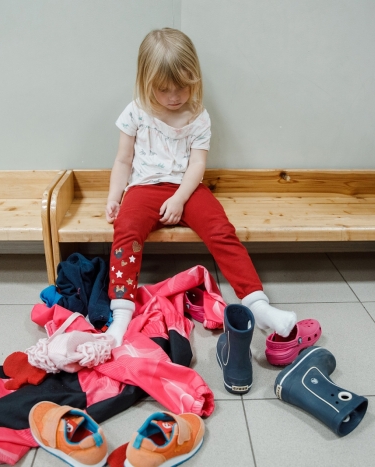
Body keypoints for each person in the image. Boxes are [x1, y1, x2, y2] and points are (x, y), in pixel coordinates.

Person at [103, 28, 297, 347]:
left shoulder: (198, 116)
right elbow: (123, 160)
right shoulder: (136, 112)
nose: (174, 96)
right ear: (146, 82)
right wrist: (115, 195)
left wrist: (180, 199)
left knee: (221, 230)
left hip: (187, 188)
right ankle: (121, 313)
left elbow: (196, 166)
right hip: (144, 188)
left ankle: (257, 305)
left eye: (182, 87)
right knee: (126, 231)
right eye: (164, 90)